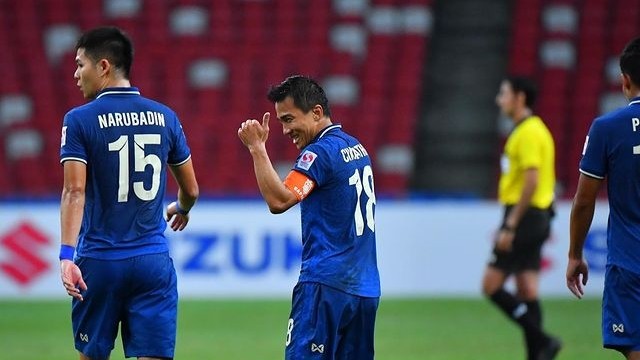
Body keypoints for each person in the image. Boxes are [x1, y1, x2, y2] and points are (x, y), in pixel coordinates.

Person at [59, 26, 199, 360]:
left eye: (81, 65)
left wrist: (66, 256)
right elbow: (191, 189)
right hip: (152, 262)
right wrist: (181, 207)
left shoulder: (79, 120)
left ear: (103, 66)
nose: (76, 74)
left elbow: (74, 190)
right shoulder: (165, 116)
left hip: (101, 262)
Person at [237, 75, 381, 359]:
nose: (285, 130)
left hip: (325, 287)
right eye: (281, 121)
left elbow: (279, 200)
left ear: (316, 112)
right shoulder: (356, 147)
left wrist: (257, 149)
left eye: (289, 119)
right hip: (365, 290)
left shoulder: (319, 154)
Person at [567, 37, 640, 360]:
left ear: (625, 81)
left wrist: (574, 254)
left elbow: (584, 201)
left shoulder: (607, 128)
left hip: (630, 264)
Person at [481, 76, 561, 360]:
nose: (499, 100)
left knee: (490, 285)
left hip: (524, 217)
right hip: (539, 215)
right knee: (527, 288)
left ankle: (543, 340)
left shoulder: (527, 133)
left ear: (520, 98)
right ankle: (537, 354)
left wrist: (510, 225)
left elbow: (531, 181)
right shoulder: (534, 129)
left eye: (503, 94)